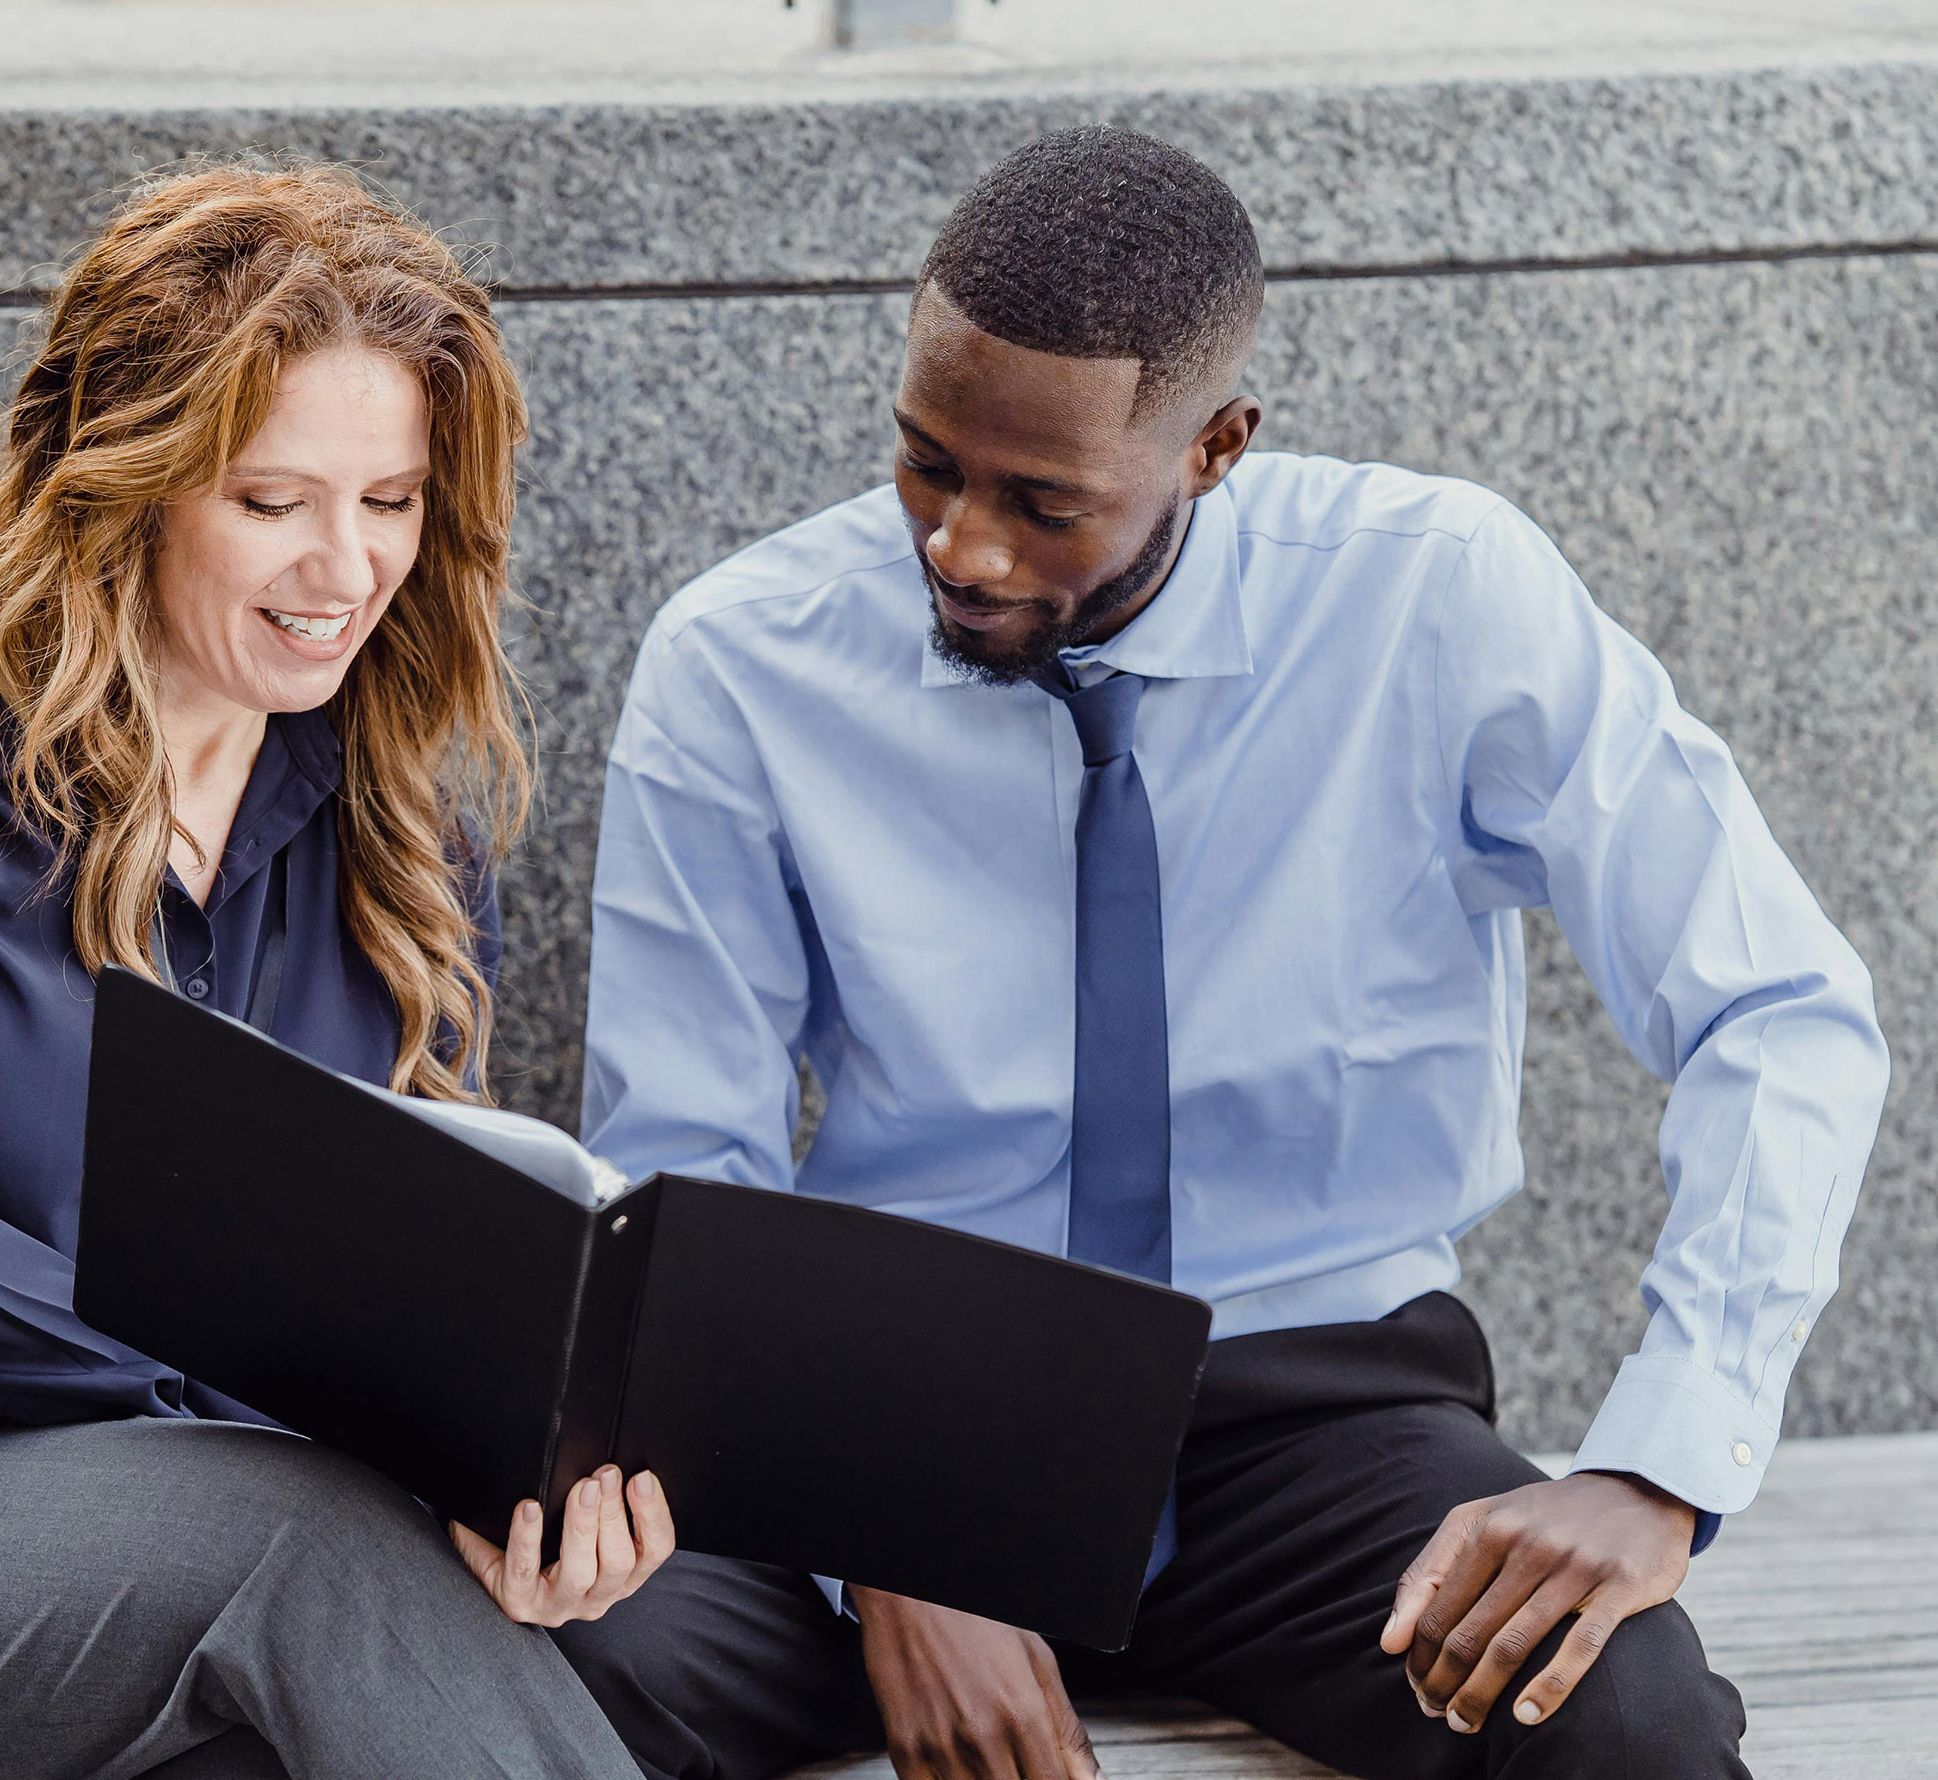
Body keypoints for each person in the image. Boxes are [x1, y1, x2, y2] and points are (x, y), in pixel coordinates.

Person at [556, 127, 1886, 1780]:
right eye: (924, 465)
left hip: (1315, 1422)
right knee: (530, 1679)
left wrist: (1661, 1464)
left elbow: (1777, 1005)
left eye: (1045, 503)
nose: (962, 549)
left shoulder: (1437, 600)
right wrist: (870, 1526)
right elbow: (685, 1174)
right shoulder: (741, 662)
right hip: (890, 1408)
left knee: (1622, 1725)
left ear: (1217, 446)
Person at [0, 165, 672, 1780]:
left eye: (389, 502)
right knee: (299, 1540)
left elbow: (405, 1286)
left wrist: (527, 1486)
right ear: (128, 477)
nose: (341, 570)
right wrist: (195, 1395)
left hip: (177, 1560)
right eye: (269, 500)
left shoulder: (402, 851)